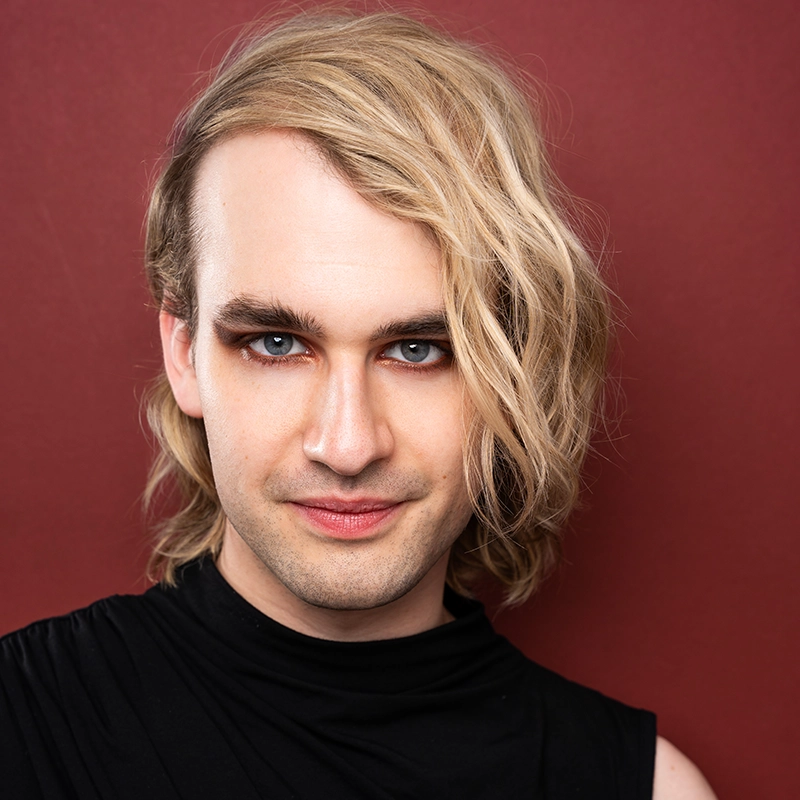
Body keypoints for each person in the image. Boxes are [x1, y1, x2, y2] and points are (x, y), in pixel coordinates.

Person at [0, 11, 715, 799]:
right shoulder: (18, 724)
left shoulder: (646, 790)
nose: (347, 445)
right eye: (275, 343)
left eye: (419, 350)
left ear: (512, 367)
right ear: (184, 354)